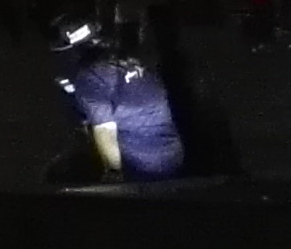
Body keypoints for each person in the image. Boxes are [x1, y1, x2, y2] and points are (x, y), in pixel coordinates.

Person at [48, 24, 188, 184]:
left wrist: (113, 174)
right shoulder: (129, 60)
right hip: (174, 155)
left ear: (74, 51)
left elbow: (104, 129)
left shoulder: (89, 77)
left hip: (144, 165)